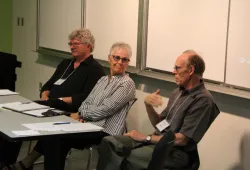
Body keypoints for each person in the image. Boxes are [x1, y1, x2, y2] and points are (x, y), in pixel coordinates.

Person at [5, 42, 136, 170]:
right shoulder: (103, 80)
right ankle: (26, 163)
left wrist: (82, 115)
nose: (119, 62)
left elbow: (107, 108)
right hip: (87, 123)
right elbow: (87, 101)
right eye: (116, 57)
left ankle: (26, 163)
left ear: (128, 63)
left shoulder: (127, 83)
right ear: (109, 58)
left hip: (104, 130)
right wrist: (83, 115)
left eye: (124, 60)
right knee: (53, 135)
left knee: (57, 138)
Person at [0, 28, 105, 170]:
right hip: (49, 105)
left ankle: (25, 163)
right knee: (16, 119)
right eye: (70, 43)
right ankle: (7, 161)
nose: (72, 47)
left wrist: (60, 100)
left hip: (68, 111)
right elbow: (48, 85)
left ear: (88, 46)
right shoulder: (66, 63)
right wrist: (44, 96)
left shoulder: (95, 69)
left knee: (52, 136)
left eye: (76, 44)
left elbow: (86, 97)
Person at [96, 50, 220, 170]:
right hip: (156, 141)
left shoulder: (203, 100)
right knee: (109, 142)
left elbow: (182, 140)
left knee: (125, 156)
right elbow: (160, 125)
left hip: (175, 152)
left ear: (191, 70)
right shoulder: (177, 92)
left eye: (177, 68)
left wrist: (146, 138)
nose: (173, 72)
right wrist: (148, 105)